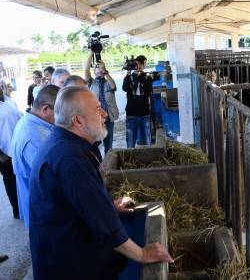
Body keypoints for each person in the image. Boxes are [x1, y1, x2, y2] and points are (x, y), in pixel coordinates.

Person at [29, 86, 172, 280]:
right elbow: (105, 224)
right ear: (77, 120)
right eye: (97, 109)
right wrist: (142, 254)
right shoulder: (70, 160)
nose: (104, 114)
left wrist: (110, 205)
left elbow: (80, 203)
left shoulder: (63, 144)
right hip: (72, 267)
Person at [11, 85, 60, 227]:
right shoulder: (33, 138)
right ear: (45, 109)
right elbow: (50, 180)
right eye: (60, 112)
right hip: (45, 213)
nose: (63, 117)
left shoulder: (34, 123)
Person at [85, 52, 119, 154]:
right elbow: (86, 70)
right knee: (95, 145)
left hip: (108, 119)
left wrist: (105, 72)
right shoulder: (91, 82)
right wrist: (91, 52)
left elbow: (113, 86)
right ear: (94, 72)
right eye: (97, 68)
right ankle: (98, 165)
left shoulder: (108, 81)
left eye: (100, 68)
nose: (99, 69)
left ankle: (108, 166)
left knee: (109, 145)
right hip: (96, 121)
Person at [0, 81, 21, 219]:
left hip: (17, 149)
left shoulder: (8, 100)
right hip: (4, 154)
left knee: (21, 179)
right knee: (10, 181)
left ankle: (24, 206)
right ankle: (17, 210)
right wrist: (2, 156)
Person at [122, 55, 153, 148]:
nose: (140, 66)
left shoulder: (147, 77)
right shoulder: (129, 77)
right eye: (138, 64)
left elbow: (148, 91)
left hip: (144, 113)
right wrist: (130, 74)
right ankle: (129, 159)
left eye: (142, 64)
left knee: (147, 142)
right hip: (131, 114)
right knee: (130, 143)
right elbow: (125, 88)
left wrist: (141, 77)